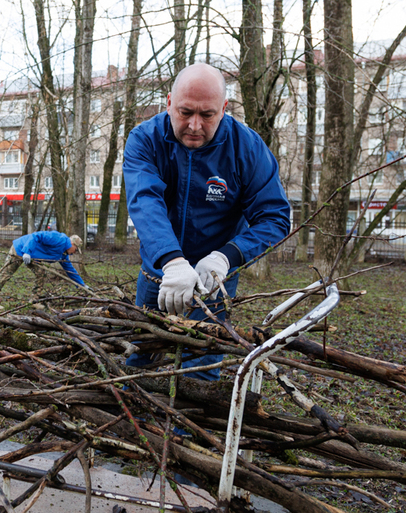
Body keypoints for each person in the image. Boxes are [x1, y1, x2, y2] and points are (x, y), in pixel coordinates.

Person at [123, 63, 291, 380]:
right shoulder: (146, 140)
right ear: (169, 102)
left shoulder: (247, 149)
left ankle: (189, 413)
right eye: (185, 112)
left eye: (208, 115)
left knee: (200, 367)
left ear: (224, 109)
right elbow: (145, 202)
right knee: (141, 358)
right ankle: (135, 411)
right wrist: (172, 261)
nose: (195, 125)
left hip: (213, 280)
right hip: (160, 274)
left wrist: (225, 257)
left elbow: (275, 218)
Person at [0, 232, 85, 310]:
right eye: (75, 249)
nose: (74, 252)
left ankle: (34, 301)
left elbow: (70, 269)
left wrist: (82, 285)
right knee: (6, 274)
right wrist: (27, 252)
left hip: (32, 257)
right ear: (72, 244)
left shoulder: (63, 254)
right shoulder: (58, 239)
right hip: (20, 249)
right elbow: (36, 236)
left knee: (41, 274)